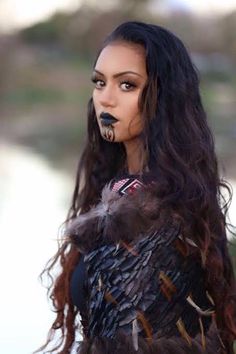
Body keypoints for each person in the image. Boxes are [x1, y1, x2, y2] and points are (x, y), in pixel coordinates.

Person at [35, 21, 236, 354]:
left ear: (163, 95)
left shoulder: (157, 213)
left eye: (127, 85)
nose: (106, 99)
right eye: (99, 82)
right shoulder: (123, 190)